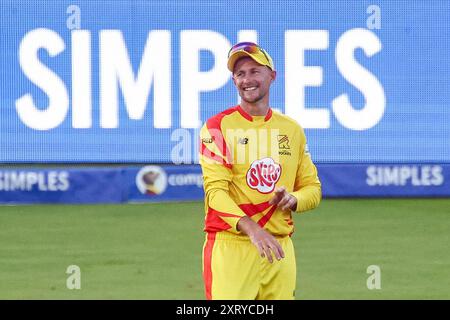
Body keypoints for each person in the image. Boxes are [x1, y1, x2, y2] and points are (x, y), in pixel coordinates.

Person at [198, 42, 321, 300]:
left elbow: (312, 188)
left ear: (272, 76)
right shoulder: (216, 127)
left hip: (279, 248)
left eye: (255, 71)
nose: (247, 80)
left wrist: (294, 199)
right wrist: (254, 230)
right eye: (240, 74)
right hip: (232, 248)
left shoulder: (292, 129)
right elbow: (215, 194)